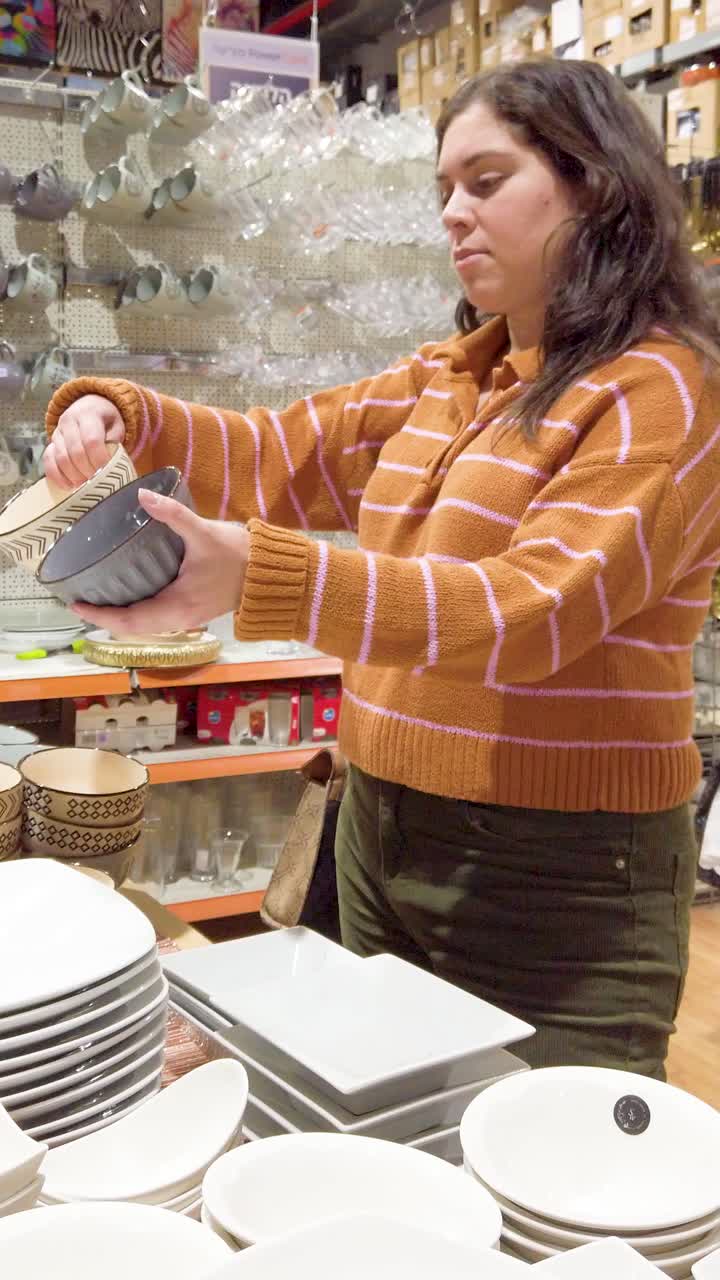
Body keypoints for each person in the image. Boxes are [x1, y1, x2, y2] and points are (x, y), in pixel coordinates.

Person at [44, 59, 720, 1079]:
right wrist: (121, 415)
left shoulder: (658, 390)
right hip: (381, 829)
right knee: (383, 1123)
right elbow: (282, 450)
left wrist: (262, 577)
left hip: (556, 873)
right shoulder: (454, 378)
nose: (454, 214)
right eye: (443, 188)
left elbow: (532, 610)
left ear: (594, 181)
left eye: (486, 181)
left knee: (534, 1159)